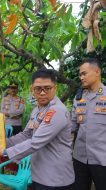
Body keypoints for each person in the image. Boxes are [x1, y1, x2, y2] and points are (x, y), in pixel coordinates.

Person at [0, 69, 74, 190]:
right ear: (32, 89)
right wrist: (3, 142)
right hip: (39, 173)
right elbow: (27, 134)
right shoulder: (38, 109)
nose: (42, 93)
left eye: (47, 88)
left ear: (55, 88)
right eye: (38, 89)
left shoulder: (57, 111)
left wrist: (5, 152)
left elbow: (35, 142)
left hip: (55, 177)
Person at [71, 58, 106, 190]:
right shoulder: (79, 97)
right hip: (80, 157)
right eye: (80, 74)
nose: (81, 77)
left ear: (97, 72)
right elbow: (72, 125)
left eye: (84, 73)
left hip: (102, 159)